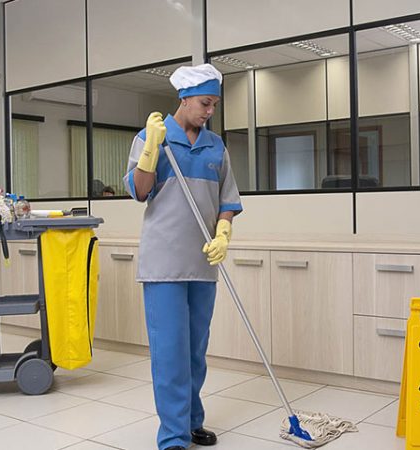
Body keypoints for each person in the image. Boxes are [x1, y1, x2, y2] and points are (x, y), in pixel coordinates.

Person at [123, 63, 242, 450]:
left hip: (203, 262)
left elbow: (227, 201)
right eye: (205, 103)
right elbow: (140, 191)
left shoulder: (215, 146)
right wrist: (151, 151)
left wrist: (223, 232)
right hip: (164, 265)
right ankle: (172, 436)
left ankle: (191, 422)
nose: (210, 111)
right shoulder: (152, 137)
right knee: (170, 353)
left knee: (194, 352)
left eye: (214, 105)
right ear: (185, 98)